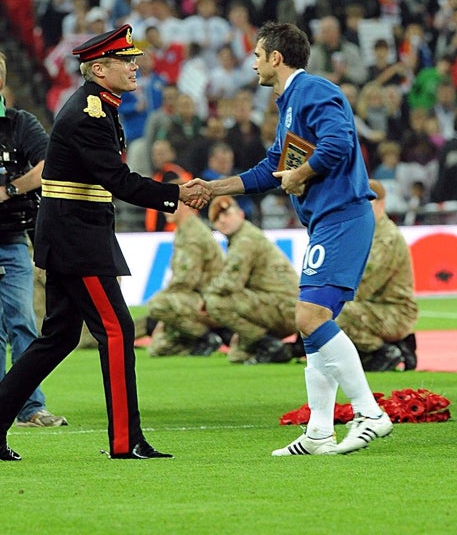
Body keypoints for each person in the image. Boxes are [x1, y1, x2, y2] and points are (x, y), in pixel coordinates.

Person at [0, 24, 208, 462]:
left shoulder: (98, 106)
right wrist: (177, 193)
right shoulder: (90, 111)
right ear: (99, 68)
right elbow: (116, 181)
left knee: (57, 339)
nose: (135, 67)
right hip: (78, 237)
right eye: (126, 61)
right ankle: (124, 440)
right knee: (117, 330)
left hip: (73, 233)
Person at [196, 21, 390, 457]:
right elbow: (269, 170)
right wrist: (214, 188)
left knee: (308, 317)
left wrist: (301, 174)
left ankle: (370, 413)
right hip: (325, 222)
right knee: (310, 328)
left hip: (342, 216)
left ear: (275, 58)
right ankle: (320, 430)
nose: (253, 64)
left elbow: (339, 141)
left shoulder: (314, 91)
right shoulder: (289, 104)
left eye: (257, 56)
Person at [0, 50, 67, 429]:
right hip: (10, 241)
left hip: (10, 238)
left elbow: (48, 165)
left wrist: (9, 189)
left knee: (23, 322)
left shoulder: (19, 123)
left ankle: (29, 408)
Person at [336, 180, 419, 373]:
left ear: (381, 204)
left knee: (334, 313)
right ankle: (374, 351)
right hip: (375, 307)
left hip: (395, 311)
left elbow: (365, 283)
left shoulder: (386, 237)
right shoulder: (364, 232)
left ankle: (384, 350)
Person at [205, 195, 298, 364]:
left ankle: (268, 344)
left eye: (226, 214)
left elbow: (231, 283)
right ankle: (266, 343)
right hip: (281, 306)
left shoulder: (245, 240)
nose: (223, 221)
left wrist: (205, 296)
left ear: (240, 214)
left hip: (282, 307)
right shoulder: (245, 235)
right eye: (217, 219)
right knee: (237, 356)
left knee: (215, 301)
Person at [146, 182, 226, 358]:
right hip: (199, 300)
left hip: (209, 302)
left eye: (171, 202)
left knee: (158, 304)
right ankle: (193, 340)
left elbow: (186, 280)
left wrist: (165, 313)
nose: (165, 208)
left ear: (187, 204)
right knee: (158, 347)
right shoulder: (185, 230)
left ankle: (205, 337)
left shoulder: (192, 234)